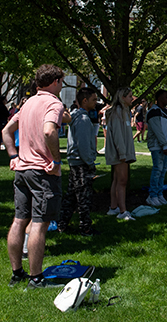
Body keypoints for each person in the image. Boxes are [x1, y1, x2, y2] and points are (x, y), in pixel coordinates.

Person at [3, 64, 66, 289]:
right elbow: (49, 131)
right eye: (61, 81)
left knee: (20, 220)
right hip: (42, 172)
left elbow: (6, 131)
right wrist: (56, 161)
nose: (62, 85)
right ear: (55, 82)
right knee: (39, 223)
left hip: (22, 171)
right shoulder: (53, 103)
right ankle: (36, 278)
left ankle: (16, 273)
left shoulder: (27, 103)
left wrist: (13, 156)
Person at [58, 88, 99, 236]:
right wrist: (90, 162)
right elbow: (83, 145)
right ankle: (85, 228)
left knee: (71, 196)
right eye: (94, 99)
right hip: (81, 163)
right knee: (84, 198)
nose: (96, 102)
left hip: (76, 162)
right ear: (84, 101)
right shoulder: (82, 119)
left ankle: (62, 224)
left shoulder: (76, 116)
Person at [105, 87, 137, 221]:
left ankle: (113, 207)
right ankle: (123, 211)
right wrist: (122, 153)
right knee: (122, 181)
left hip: (121, 152)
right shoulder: (118, 112)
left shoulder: (124, 111)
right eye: (130, 96)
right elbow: (117, 134)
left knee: (117, 179)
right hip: (119, 153)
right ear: (122, 98)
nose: (132, 98)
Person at [146, 89, 167, 205]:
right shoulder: (153, 112)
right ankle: (152, 195)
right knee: (157, 170)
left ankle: (159, 193)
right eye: (166, 97)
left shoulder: (166, 112)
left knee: (163, 171)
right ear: (159, 98)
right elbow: (158, 131)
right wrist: (164, 145)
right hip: (158, 147)